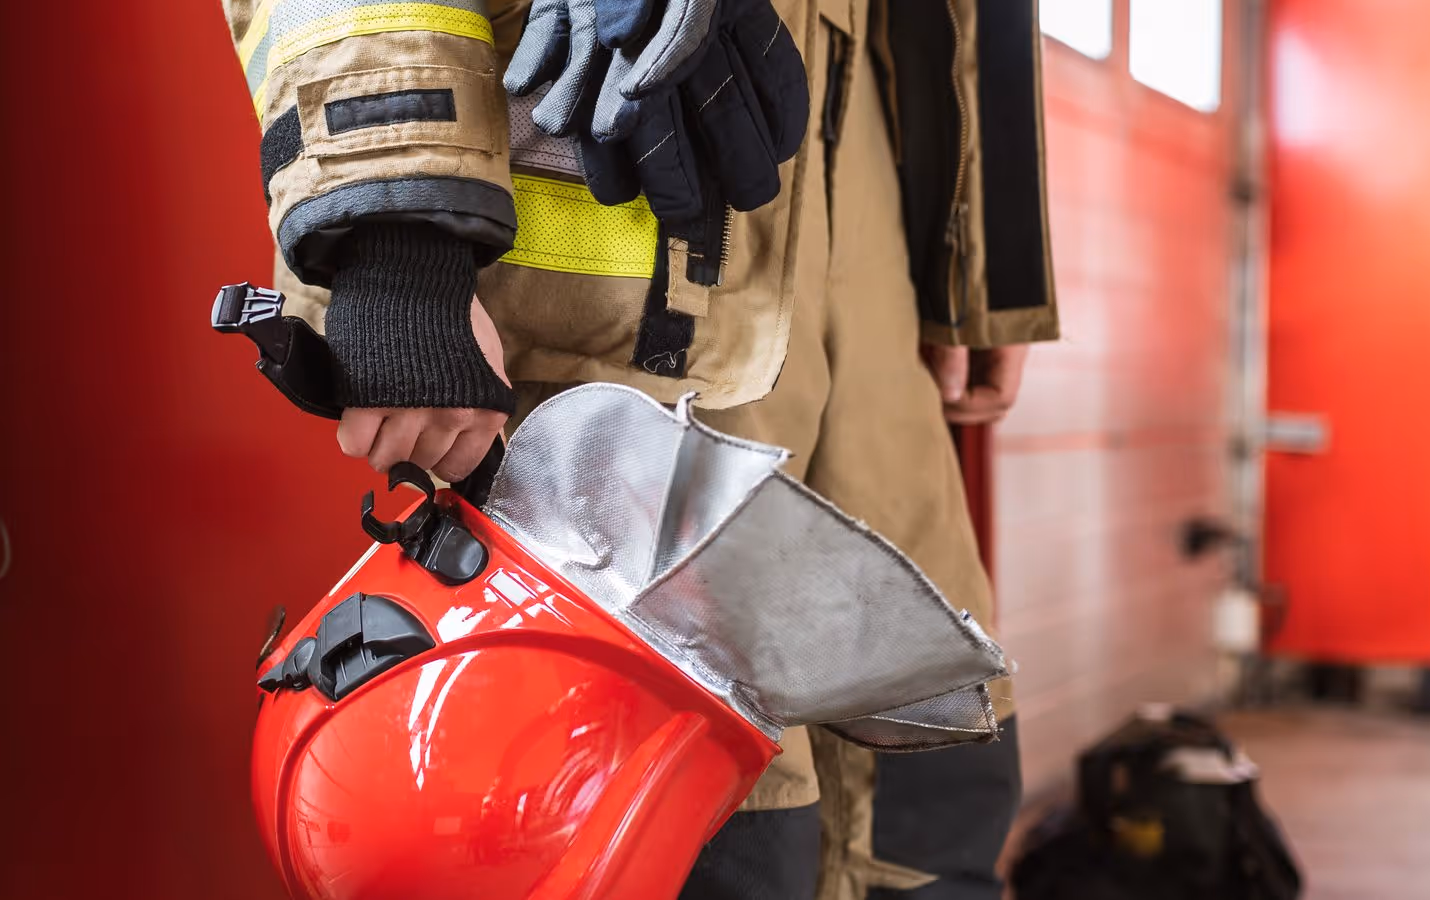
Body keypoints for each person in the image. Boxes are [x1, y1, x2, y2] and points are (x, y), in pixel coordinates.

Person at [223, 0, 1058, 896]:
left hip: (852, 172)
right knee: (656, 820)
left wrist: (976, 252)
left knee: (932, 790)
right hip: (615, 195)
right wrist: (396, 230)